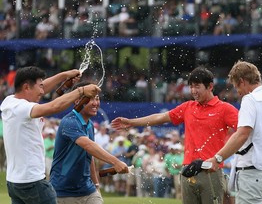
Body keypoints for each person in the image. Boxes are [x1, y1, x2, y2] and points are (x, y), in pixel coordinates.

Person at [111, 66, 239, 204]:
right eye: (191, 87)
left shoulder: (225, 109)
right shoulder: (188, 107)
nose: (193, 91)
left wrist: (220, 158)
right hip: (187, 170)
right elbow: (160, 117)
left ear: (210, 86)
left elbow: (243, 132)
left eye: (197, 86)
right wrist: (132, 122)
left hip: (211, 172)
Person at [0, 66, 100, 204]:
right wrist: (81, 91)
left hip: (15, 183)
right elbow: (54, 107)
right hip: (33, 181)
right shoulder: (22, 108)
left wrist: (64, 75)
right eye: (39, 86)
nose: (42, 91)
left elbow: (43, 87)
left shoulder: (10, 101)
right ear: (26, 87)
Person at [206, 60, 262, 204]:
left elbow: (242, 134)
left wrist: (217, 158)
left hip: (253, 173)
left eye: (236, 86)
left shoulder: (250, 99)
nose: (237, 91)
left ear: (242, 81)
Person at [50, 81, 129, 204]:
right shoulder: (69, 122)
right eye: (90, 99)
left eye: (97, 99)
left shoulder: (90, 125)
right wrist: (116, 162)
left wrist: (96, 184)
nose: (95, 103)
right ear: (77, 101)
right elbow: (88, 145)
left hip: (87, 190)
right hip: (63, 191)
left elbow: (89, 155)